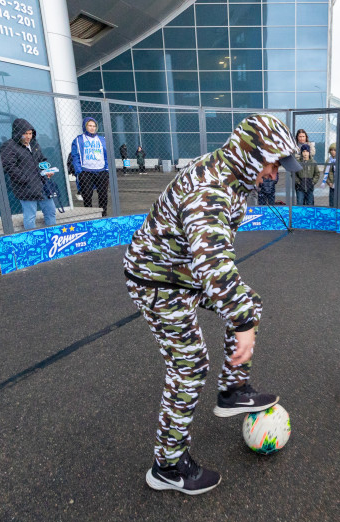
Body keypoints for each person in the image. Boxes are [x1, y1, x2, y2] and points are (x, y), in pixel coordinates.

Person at [123, 114, 302, 495]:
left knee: (249, 303)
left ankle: (233, 390)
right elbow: (215, 269)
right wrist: (242, 328)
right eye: (272, 164)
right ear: (251, 156)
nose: (274, 175)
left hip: (182, 270)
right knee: (189, 362)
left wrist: (242, 315)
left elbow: (213, 262)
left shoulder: (232, 172)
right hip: (156, 278)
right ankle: (168, 466)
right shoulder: (210, 192)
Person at [0, 118, 57, 230]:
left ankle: (52, 237)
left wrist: (48, 170)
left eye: (30, 133)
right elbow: (9, 166)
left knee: (51, 212)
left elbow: (41, 159)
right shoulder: (9, 146)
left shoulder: (34, 144)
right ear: (18, 133)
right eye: (25, 133)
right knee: (30, 216)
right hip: (26, 187)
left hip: (42, 185)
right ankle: (33, 242)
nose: (28, 136)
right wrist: (25, 179)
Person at [71, 117, 110, 217]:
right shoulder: (79, 139)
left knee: (103, 196)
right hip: (86, 172)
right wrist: (79, 171)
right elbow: (75, 156)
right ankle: (89, 216)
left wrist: (106, 169)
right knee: (87, 196)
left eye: (94, 126)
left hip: (101, 171)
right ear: (85, 126)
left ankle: (103, 215)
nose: (92, 128)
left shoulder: (102, 139)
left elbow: (106, 155)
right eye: (90, 126)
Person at [324, 143, 338, 207]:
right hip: (332, 184)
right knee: (332, 201)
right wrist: (329, 182)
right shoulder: (328, 161)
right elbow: (325, 173)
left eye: (335, 150)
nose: (333, 152)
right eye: (331, 150)